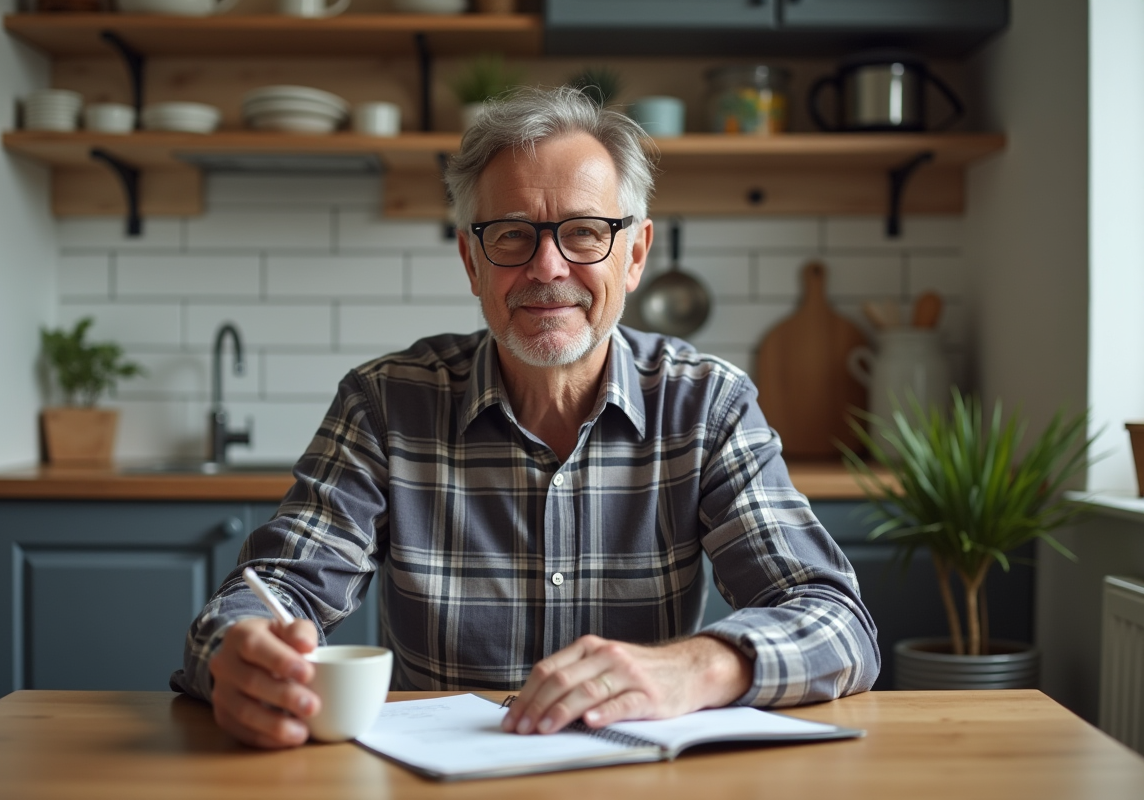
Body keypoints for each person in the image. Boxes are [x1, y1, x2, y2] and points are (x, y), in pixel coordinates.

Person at [171, 86, 880, 749]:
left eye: (585, 233)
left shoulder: (706, 404)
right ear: (471, 260)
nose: (547, 267)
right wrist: (236, 652)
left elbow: (835, 619)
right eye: (512, 235)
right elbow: (276, 588)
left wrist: (695, 668)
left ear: (635, 255)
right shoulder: (384, 403)